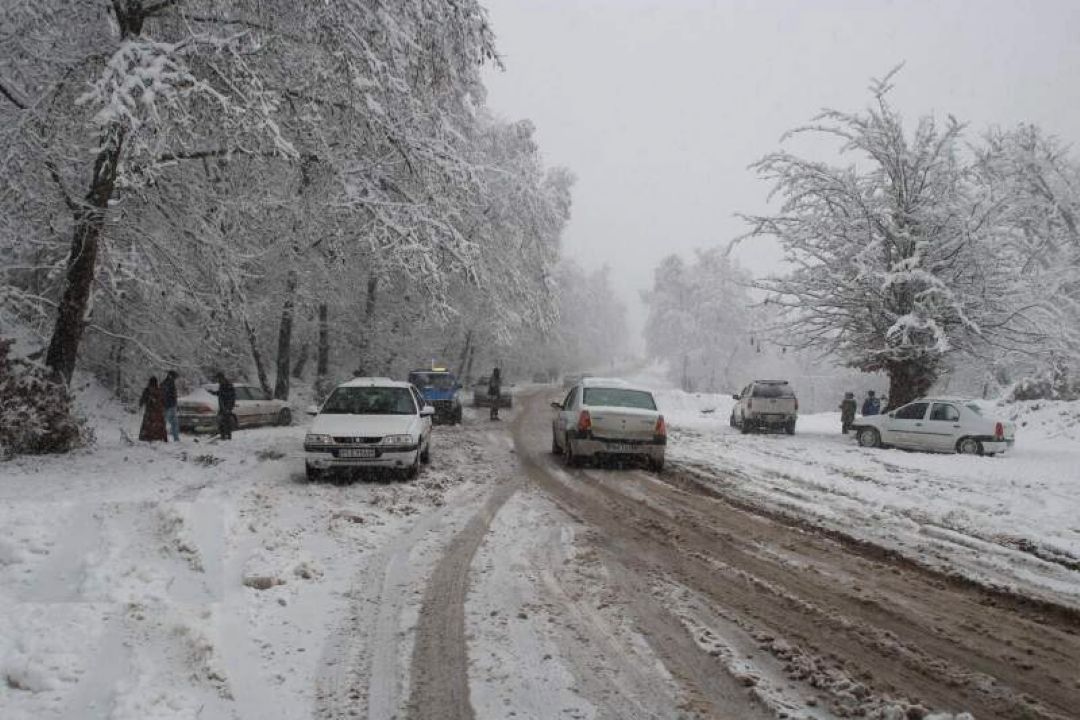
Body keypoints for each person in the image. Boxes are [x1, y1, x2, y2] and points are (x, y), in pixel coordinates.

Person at [138, 376, 168, 442]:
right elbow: (164, 402)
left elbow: (143, 400)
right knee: (159, 425)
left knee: (148, 425)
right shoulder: (160, 391)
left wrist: (140, 404)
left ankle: (147, 437)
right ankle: (160, 437)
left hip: (150, 412)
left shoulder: (147, 390)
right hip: (159, 413)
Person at [209, 372, 237, 439]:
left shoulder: (228, 385)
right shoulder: (222, 384)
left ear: (222, 377)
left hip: (227, 406)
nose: (218, 380)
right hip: (222, 406)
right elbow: (221, 393)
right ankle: (223, 435)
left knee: (226, 421)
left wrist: (228, 407)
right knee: (221, 421)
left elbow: (231, 396)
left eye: (218, 378)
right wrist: (214, 393)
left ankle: (227, 436)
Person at [162, 370, 180, 442]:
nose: (175, 379)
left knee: (172, 423)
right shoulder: (168, 383)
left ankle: (175, 438)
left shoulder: (166, 383)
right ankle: (174, 438)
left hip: (170, 406)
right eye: (175, 377)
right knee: (170, 423)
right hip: (169, 406)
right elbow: (166, 395)